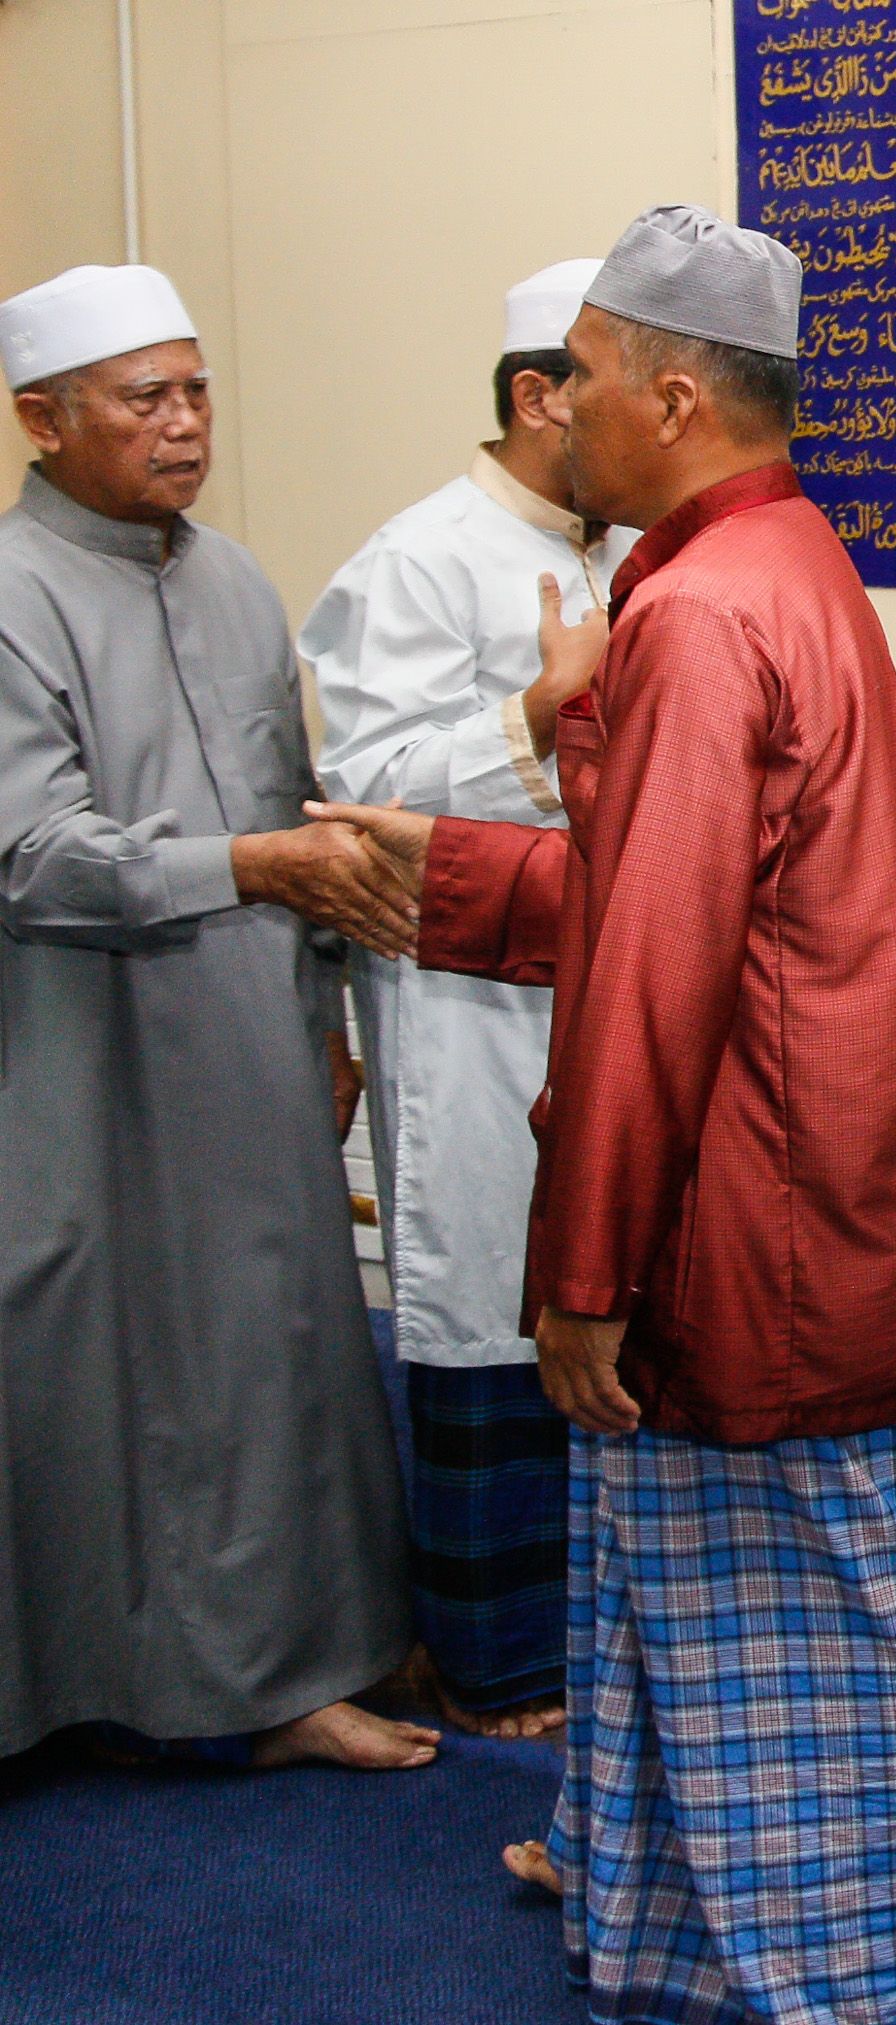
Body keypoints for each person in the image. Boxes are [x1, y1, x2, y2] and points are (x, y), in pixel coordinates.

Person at [314, 206, 896, 2025]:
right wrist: (483, 852)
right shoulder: (782, 558)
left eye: (596, 384)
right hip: (823, 1171)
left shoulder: (699, 606)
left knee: (799, 1623)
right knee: (712, 1599)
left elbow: (660, 974)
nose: (571, 415)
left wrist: (586, 1265)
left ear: (679, 393)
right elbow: (698, 894)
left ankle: (837, 1967)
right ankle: (684, 1928)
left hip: (758, 1202)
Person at [0, 264, 436, 1775]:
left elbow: (288, 808)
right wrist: (252, 868)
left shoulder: (238, 577)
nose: (186, 425)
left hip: (254, 1036)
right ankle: (145, 1681)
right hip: (86, 1060)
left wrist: (322, 1008)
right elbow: (30, 852)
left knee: (284, 1351)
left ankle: (305, 1654)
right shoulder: (11, 598)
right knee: (123, 1368)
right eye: (146, 400)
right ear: (43, 421)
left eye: (196, 391)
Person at [299, 258, 632, 1742]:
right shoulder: (418, 560)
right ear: (539, 395)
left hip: (609, 993)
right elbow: (358, 798)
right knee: (491, 1303)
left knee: (604, 1299)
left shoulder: (625, 547)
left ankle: (589, 1641)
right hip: (466, 1013)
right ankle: (489, 1657)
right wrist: (534, 717)